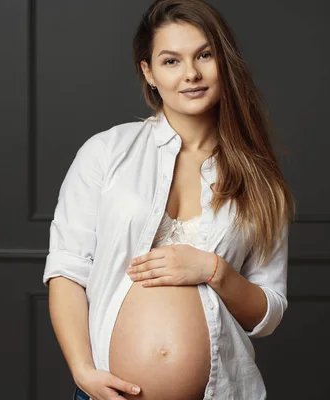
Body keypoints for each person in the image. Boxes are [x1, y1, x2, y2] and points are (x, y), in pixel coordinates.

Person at [43, 0, 296, 399]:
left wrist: (214, 270)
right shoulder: (106, 152)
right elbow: (67, 271)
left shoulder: (260, 181)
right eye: (171, 61)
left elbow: (268, 313)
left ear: (224, 62)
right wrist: (82, 371)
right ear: (149, 72)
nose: (191, 74)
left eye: (204, 55)